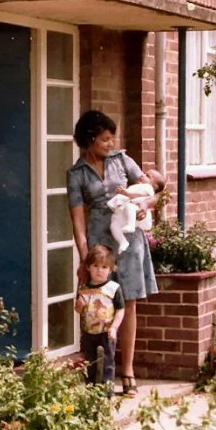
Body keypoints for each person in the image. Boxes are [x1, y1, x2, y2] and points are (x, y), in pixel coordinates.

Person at [66, 110, 159, 397]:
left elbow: (151, 191)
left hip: (128, 241)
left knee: (127, 303)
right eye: (105, 139)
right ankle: (99, 374)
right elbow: (78, 222)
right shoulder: (76, 174)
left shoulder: (123, 160)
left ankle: (127, 370)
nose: (110, 143)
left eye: (112, 138)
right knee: (98, 304)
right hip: (100, 246)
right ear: (90, 139)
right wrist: (84, 258)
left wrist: (146, 204)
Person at [74, 245, 124, 391]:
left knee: (107, 362)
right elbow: (78, 310)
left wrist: (114, 328)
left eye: (104, 267)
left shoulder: (113, 288)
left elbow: (120, 310)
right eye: (95, 266)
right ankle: (91, 391)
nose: (99, 270)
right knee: (90, 362)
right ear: (88, 267)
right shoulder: (84, 288)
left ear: (111, 269)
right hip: (88, 333)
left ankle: (107, 392)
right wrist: (79, 305)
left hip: (106, 332)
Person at [107, 169, 165, 254]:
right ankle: (122, 241)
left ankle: (130, 225)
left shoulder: (148, 188)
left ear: (155, 186)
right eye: (145, 173)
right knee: (114, 225)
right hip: (125, 213)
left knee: (130, 206)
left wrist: (126, 193)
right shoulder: (138, 186)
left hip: (136, 212)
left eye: (147, 176)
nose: (143, 175)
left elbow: (139, 195)